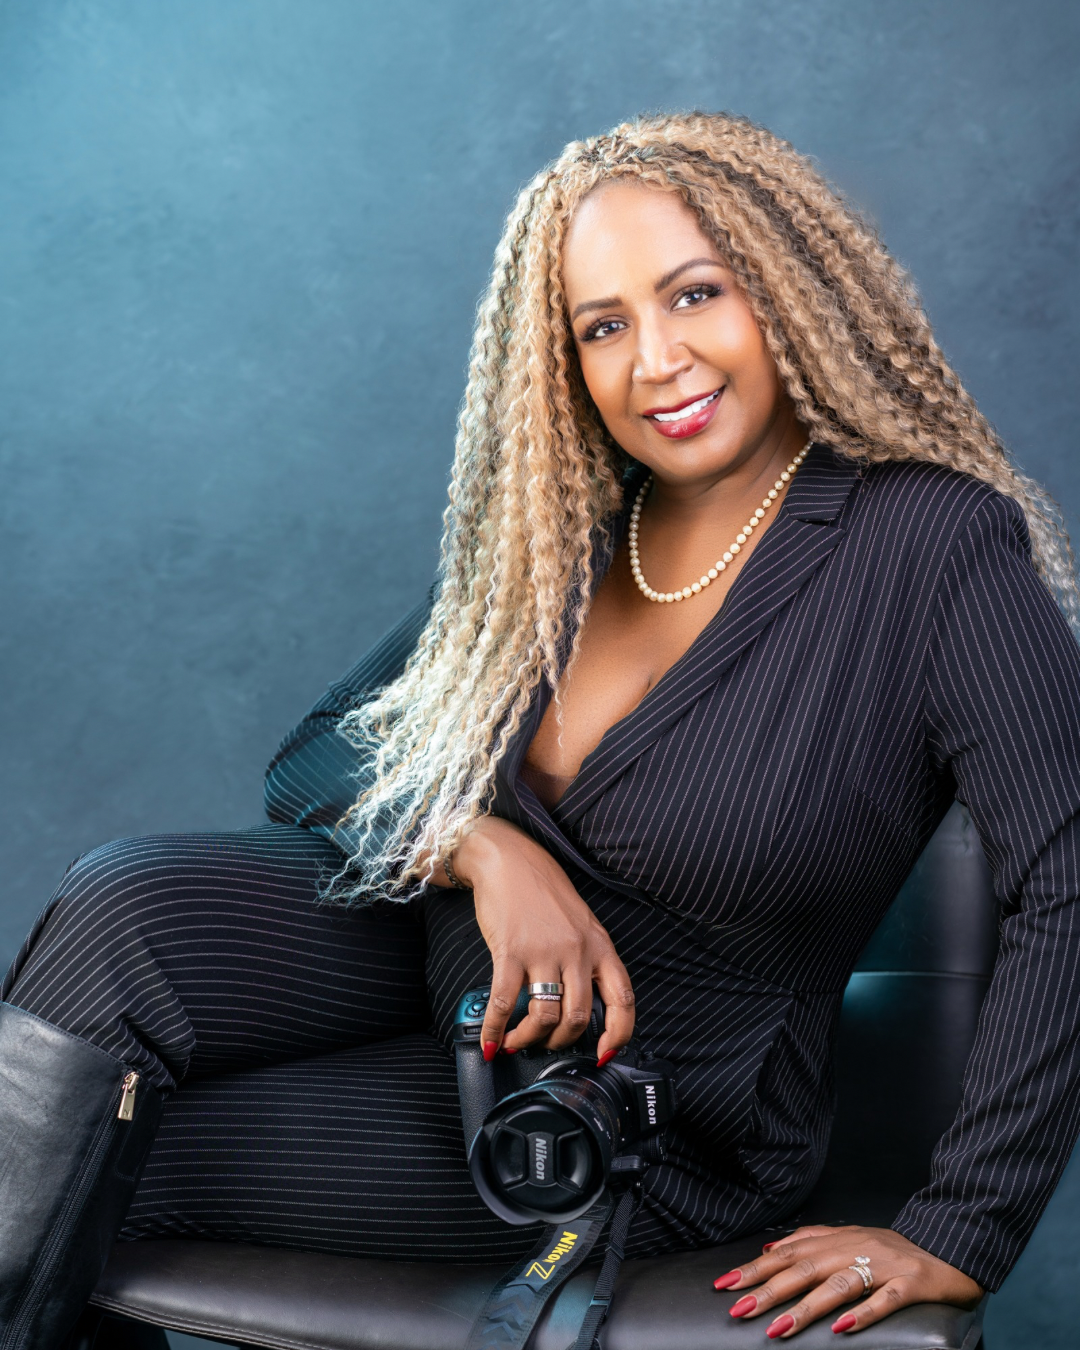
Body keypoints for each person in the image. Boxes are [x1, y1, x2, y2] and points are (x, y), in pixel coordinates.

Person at [2, 110, 1079, 1349]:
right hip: (421, 985)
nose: (655, 360)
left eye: (695, 295)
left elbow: (1069, 876)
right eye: (603, 326)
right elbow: (314, 754)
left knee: (99, 1153)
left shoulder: (930, 544)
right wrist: (484, 851)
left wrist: (964, 1224)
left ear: (793, 289)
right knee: (118, 910)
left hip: (626, 1113)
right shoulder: (562, 538)